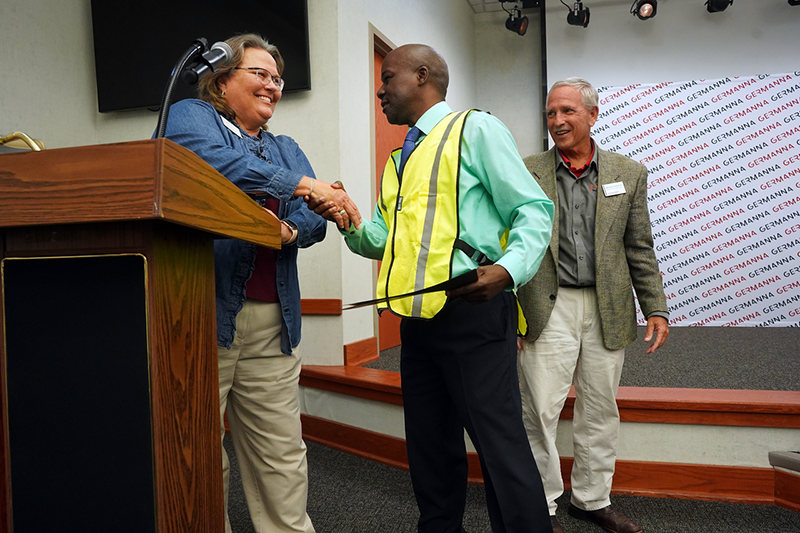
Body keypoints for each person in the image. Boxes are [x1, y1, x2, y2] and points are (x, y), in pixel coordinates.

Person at [311, 44, 555, 533]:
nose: (379, 90)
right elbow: (384, 240)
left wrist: (507, 271)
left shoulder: (475, 129)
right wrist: (348, 222)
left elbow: (533, 210)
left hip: (474, 313)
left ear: (422, 76)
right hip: (416, 326)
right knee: (430, 447)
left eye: (389, 77)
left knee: (499, 445)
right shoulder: (398, 159)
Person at [163, 33, 360, 533]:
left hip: (275, 323)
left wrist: (289, 226)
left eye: (278, 78)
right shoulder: (192, 116)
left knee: (282, 455)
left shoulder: (286, 147)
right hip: (202, 318)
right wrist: (303, 186)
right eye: (260, 74)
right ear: (222, 79)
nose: (274, 85)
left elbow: (315, 222)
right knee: (198, 451)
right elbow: (208, 163)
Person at [517, 78, 670, 533]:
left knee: (601, 408)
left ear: (592, 114)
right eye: (550, 113)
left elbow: (638, 247)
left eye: (567, 111)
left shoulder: (629, 172)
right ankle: (539, 506)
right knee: (539, 409)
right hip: (548, 304)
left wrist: (656, 307)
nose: (557, 121)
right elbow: (508, 242)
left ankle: (591, 499)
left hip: (609, 307)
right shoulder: (525, 171)